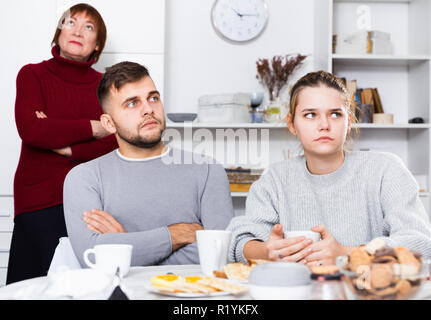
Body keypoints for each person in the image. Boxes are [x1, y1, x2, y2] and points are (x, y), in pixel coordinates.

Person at [227, 70, 431, 265]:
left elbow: (420, 241)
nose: (324, 124)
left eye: (335, 114)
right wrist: (266, 252)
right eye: (310, 115)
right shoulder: (275, 178)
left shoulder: (385, 169)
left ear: (349, 121)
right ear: (291, 124)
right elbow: (240, 239)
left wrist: (348, 254)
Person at [63, 61, 234, 267]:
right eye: (132, 103)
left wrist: (124, 246)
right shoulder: (84, 178)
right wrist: (175, 235)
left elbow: (219, 253)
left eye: (153, 98)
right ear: (109, 123)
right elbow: (91, 257)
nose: (148, 110)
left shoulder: (207, 169)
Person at [7, 4, 118, 284]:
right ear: (58, 34)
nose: (78, 30)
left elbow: (117, 139)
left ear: (97, 45)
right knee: (31, 287)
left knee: (86, 286)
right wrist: (93, 127)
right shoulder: (32, 75)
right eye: (71, 23)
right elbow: (32, 130)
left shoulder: (107, 85)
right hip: (39, 200)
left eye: (88, 27)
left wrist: (69, 147)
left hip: (90, 203)